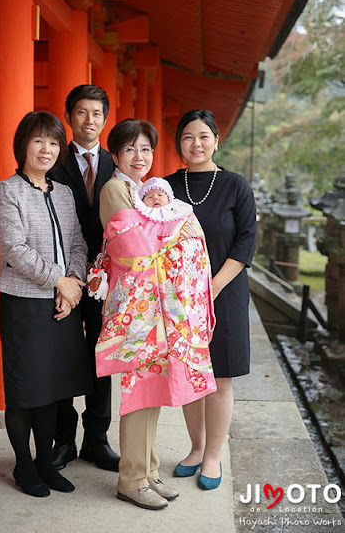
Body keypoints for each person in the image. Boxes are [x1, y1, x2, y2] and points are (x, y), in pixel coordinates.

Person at [97, 121, 216, 511]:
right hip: (138, 309)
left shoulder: (144, 192)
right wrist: (173, 240)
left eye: (146, 149)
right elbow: (133, 248)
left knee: (153, 391)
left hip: (155, 310)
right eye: (129, 150)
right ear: (115, 155)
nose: (139, 157)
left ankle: (147, 471)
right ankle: (131, 478)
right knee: (139, 391)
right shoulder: (116, 189)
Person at [0, 111, 92, 498]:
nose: (46, 149)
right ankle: (23, 464)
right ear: (23, 146)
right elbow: (15, 250)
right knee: (24, 390)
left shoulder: (63, 193)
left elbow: (78, 242)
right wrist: (59, 281)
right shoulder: (6, 191)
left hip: (64, 303)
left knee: (52, 389)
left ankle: (46, 462)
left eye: (53, 142)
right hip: (24, 304)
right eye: (38, 141)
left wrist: (73, 285)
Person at [165, 109, 256, 490]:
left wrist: (213, 286)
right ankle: (196, 448)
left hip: (225, 291)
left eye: (204, 136)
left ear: (217, 140)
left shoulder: (236, 186)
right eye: (188, 137)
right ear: (179, 144)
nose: (196, 144)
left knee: (219, 376)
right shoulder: (166, 186)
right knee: (189, 373)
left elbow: (246, 239)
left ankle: (214, 455)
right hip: (180, 296)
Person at [49, 84, 120, 473]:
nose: (89, 120)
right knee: (62, 355)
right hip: (63, 278)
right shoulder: (53, 163)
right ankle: (64, 440)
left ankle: (97, 438)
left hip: (107, 282)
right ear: (69, 117)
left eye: (96, 113)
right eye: (81, 112)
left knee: (101, 355)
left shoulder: (118, 164)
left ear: (105, 119)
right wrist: (66, 277)